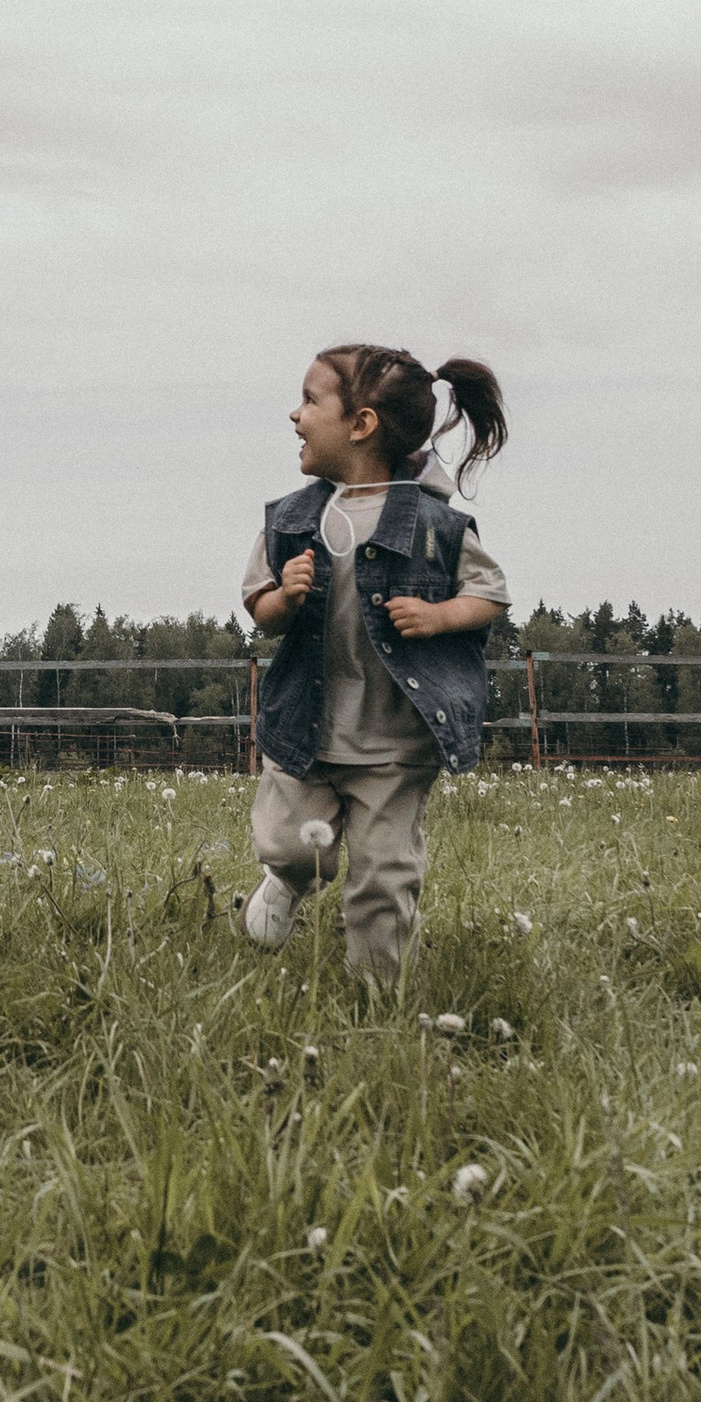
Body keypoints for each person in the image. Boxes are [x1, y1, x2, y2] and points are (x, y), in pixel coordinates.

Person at [239, 345, 509, 980]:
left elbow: (489, 593)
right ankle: (289, 881)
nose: (294, 415)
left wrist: (441, 616)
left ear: (360, 425)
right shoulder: (293, 519)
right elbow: (258, 607)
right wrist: (284, 595)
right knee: (287, 841)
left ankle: (376, 995)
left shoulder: (434, 524)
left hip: (395, 741)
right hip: (307, 726)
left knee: (383, 876)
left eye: (310, 401)